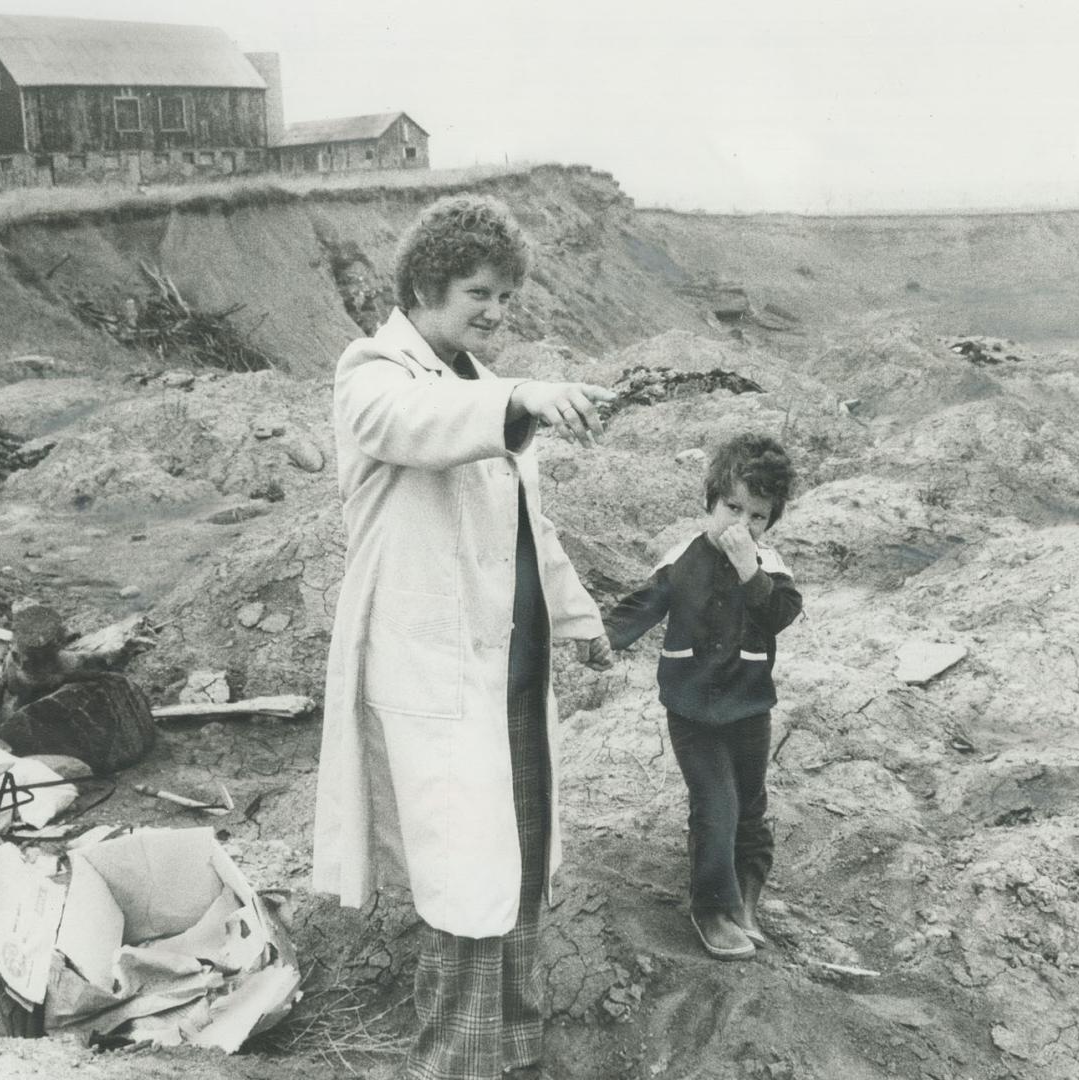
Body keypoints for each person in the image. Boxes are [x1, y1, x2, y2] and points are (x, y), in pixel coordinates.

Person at [312, 193, 616, 1080]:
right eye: (479, 292)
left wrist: (576, 614)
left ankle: (508, 1051)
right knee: (463, 876)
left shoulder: (479, 385)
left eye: (505, 298)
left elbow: (529, 522)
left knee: (513, 853)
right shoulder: (371, 372)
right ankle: (454, 1063)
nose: (494, 312)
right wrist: (521, 396)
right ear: (425, 283)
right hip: (429, 666)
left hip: (505, 661)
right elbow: (415, 427)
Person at [601, 434, 801, 960]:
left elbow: (780, 613)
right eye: (732, 508)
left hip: (749, 704)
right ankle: (710, 907)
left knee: (751, 806)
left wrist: (750, 571)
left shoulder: (769, 566)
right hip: (690, 706)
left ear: (769, 522)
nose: (741, 525)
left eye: (756, 516)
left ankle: (745, 898)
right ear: (710, 501)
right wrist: (600, 640)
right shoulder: (681, 560)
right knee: (717, 802)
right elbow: (641, 607)